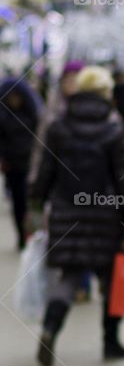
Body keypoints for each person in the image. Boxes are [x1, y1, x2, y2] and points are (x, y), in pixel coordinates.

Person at [28, 65, 124, 366]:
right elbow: (123, 179)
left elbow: (45, 174)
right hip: (107, 213)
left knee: (69, 277)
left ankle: (50, 330)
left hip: (67, 213)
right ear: (105, 93)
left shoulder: (58, 126)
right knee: (111, 280)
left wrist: (35, 206)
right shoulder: (112, 129)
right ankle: (111, 343)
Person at [0, 72, 43, 250]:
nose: (13, 100)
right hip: (13, 166)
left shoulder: (33, 115)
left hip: (32, 164)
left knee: (32, 202)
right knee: (18, 202)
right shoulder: (3, 117)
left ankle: (33, 235)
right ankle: (22, 235)